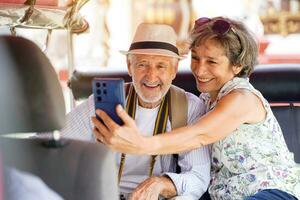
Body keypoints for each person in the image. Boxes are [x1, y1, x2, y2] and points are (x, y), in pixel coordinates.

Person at [93, 17, 300, 200]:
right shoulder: (206, 99)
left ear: (237, 65)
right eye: (195, 58)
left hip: (271, 191)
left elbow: (198, 135)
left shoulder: (241, 98)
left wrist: (140, 145)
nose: (200, 70)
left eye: (211, 61)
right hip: (223, 194)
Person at [53, 23, 210, 200]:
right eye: (142, 65)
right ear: (129, 66)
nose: (151, 76)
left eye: (161, 66)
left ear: (174, 70)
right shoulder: (103, 102)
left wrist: (162, 184)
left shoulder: (190, 108)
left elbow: (198, 177)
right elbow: (54, 141)